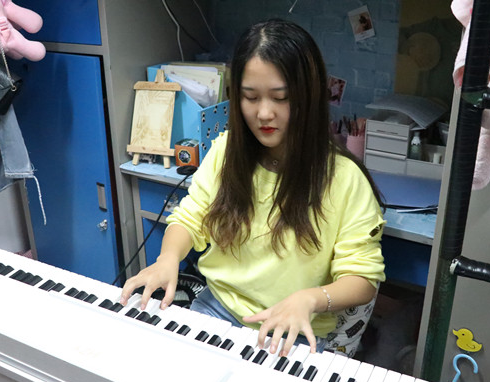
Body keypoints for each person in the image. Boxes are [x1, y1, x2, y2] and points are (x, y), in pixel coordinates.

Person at [120, 19, 385, 358]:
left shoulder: (345, 179)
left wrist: (311, 299)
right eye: (250, 97)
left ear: (309, 96)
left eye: (280, 98)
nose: (263, 113)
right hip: (217, 308)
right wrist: (168, 259)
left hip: (290, 329)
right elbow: (190, 218)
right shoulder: (226, 151)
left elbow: (362, 278)